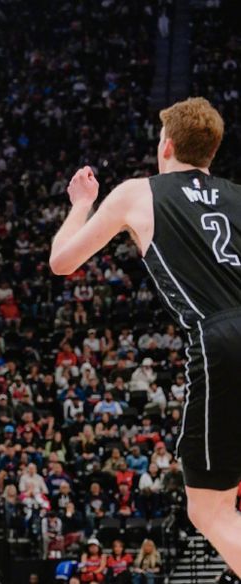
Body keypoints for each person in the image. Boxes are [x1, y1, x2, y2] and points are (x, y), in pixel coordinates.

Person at [50, 97, 241, 580]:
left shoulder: (137, 193)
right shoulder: (237, 195)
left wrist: (82, 205)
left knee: (211, 509)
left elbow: (62, 261)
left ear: (167, 146)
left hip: (221, 339)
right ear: (211, 152)